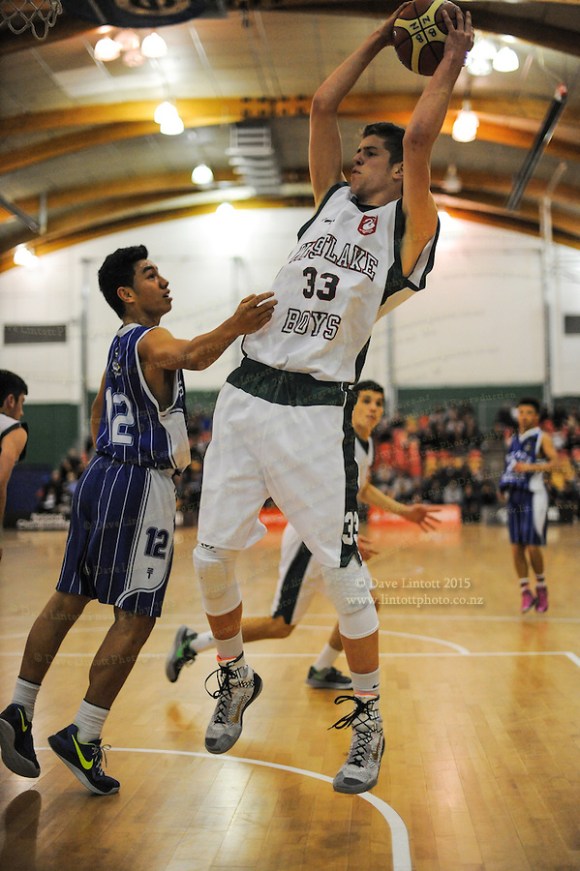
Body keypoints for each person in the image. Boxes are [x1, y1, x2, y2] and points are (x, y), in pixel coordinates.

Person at [189, 4, 474, 796]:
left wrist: (449, 56)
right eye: (355, 154)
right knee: (210, 556)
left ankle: (370, 718)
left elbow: (418, 140)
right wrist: (383, 34)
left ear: (394, 172)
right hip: (247, 389)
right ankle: (234, 673)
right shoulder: (331, 203)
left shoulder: (410, 230)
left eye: (368, 154)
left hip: (316, 408)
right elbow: (320, 105)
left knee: (345, 574)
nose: (356, 161)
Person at [0, 245, 276, 795]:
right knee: (137, 616)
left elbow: (102, 410)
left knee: (68, 598)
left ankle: (19, 710)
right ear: (128, 294)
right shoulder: (147, 338)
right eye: (151, 275)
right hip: (139, 481)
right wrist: (238, 323)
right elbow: (195, 355)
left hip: (100, 475)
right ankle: (85, 731)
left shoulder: (119, 348)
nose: (164, 281)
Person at [166, 380, 439, 687]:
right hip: (310, 539)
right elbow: (308, 491)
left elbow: (361, 489)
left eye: (378, 403)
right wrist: (341, 533)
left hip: (333, 538)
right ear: (351, 406)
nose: (373, 408)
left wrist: (405, 512)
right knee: (281, 624)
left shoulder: (364, 444)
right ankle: (194, 642)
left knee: (367, 603)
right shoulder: (334, 441)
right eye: (366, 401)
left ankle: (321, 668)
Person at [499, 397, 558, 614]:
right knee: (516, 547)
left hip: (534, 496)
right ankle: (525, 590)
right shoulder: (513, 439)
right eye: (520, 412)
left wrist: (530, 467)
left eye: (528, 412)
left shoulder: (543, 438)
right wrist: (502, 485)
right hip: (514, 495)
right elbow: (511, 466)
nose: (523, 416)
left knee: (533, 545)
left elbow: (556, 463)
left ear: (536, 417)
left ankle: (541, 587)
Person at [0, 370, 29, 563]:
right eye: (22, 402)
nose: (22, 410)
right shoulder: (14, 430)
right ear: (11, 400)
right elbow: (0, 480)